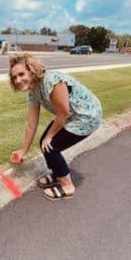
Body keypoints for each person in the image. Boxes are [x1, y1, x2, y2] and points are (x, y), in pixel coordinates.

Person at [9, 53, 102, 201]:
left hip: (87, 116)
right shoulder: (33, 91)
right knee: (44, 143)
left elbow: (63, 112)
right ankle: (59, 174)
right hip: (72, 114)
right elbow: (31, 124)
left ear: (32, 71)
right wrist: (23, 151)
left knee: (50, 145)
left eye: (21, 74)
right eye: (14, 77)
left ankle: (67, 186)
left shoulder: (52, 81)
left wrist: (50, 136)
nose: (18, 80)